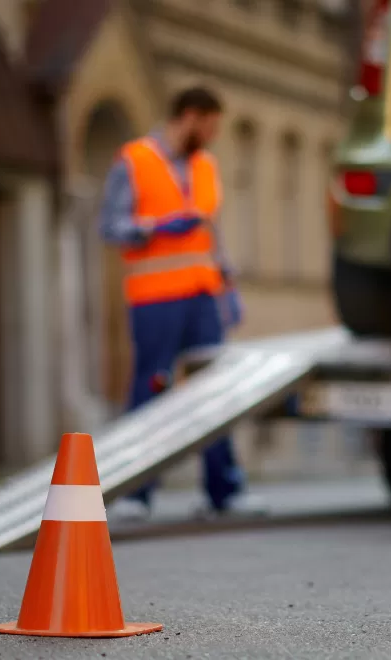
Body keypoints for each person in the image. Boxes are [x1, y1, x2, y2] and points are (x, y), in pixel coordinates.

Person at [98, 86, 264, 520]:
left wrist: (227, 287)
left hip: (203, 296)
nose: (211, 137)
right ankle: (135, 493)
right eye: (208, 127)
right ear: (189, 116)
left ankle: (223, 492)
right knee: (151, 389)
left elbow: (211, 233)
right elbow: (110, 226)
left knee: (215, 392)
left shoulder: (205, 166)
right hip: (155, 299)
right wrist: (154, 227)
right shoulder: (134, 161)